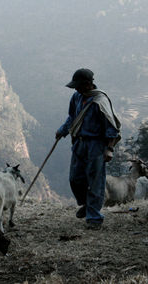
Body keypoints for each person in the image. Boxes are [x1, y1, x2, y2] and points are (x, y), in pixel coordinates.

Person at [56, 68, 121, 230]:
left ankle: (94, 218)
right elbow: (72, 117)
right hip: (79, 142)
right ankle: (87, 204)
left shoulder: (100, 101)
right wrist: (63, 130)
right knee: (75, 178)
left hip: (96, 145)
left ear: (88, 85)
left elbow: (111, 127)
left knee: (95, 181)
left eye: (78, 86)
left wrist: (109, 149)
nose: (76, 89)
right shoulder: (77, 97)